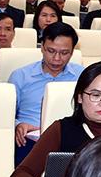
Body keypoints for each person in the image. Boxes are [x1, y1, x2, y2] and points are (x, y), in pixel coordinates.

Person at [9, 22, 83, 165]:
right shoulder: (20, 76)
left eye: (64, 53)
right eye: (51, 51)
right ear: (42, 47)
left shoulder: (82, 76)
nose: (57, 58)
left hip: (69, 138)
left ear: (72, 51)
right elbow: (5, 115)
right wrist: (18, 125)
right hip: (29, 139)